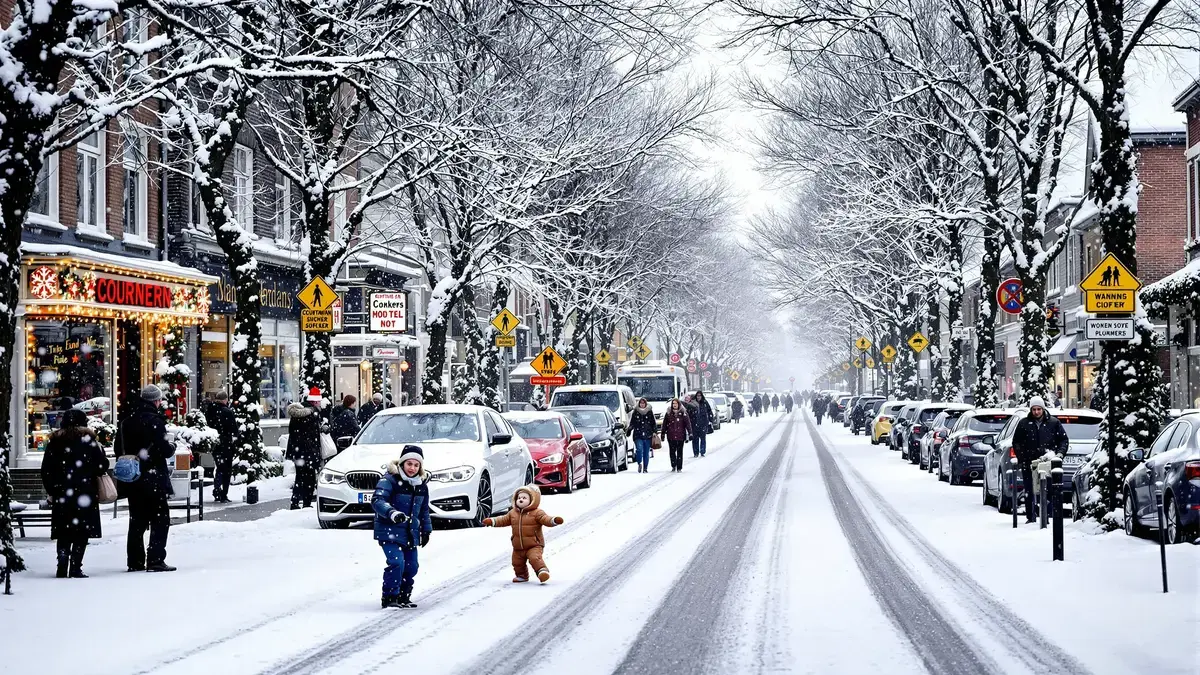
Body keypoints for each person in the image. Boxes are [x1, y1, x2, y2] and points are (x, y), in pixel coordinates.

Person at [41, 409, 108, 578]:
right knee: (81, 531)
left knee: (64, 530)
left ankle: (62, 563)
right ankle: (76, 566)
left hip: (62, 493)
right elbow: (101, 466)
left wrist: (52, 489)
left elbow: (46, 469)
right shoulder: (89, 441)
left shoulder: (55, 442)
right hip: (85, 492)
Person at [119, 384, 176, 572]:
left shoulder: (127, 421)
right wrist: (172, 447)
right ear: (156, 401)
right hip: (153, 477)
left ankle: (134, 561)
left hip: (132, 477)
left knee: (137, 520)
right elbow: (165, 450)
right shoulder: (156, 421)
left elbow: (120, 448)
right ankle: (155, 559)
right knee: (160, 519)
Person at [372, 445, 432, 608]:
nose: (412, 468)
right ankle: (390, 597)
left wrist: (426, 529)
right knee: (397, 562)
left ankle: (403, 596)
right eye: (409, 464)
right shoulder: (389, 480)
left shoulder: (421, 485)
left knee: (412, 566)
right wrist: (391, 513)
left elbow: (424, 509)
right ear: (402, 463)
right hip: (389, 531)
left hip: (409, 533)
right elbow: (377, 500)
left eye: (416, 465)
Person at [483, 485, 563, 584]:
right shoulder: (513, 513)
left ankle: (542, 571)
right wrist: (491, 521)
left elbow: (545, 519)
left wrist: (554, 520)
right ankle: (521, 576)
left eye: (524, 498)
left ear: (532, 500)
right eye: (519, 498)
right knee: (517, 562)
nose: (521, 500)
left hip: (534, 545)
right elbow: (502, 520)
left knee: (535, 558)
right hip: (518, 546)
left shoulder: (537, 513)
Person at [1012, 396, 1069, 523]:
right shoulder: (1024, 424)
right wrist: (1023, 457)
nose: (1036, 412)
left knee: (1048, 489)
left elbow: (1063, 440)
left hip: (1047, 463)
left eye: (1039, 409)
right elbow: (1016, 442)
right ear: (1031, 410)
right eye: (1034, 409)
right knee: (1029, 490)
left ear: (1043, 409)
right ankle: (1031, 517)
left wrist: (1059, 455)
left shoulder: (1053, 423)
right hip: (1029, 463)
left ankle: (1046, 517)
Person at [286, 387, 326, 509]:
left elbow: (292, 432)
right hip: (309, 452)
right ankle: (307, 503)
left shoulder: (296, 414)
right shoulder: (313, 413)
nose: (320, 404)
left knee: (299, 477)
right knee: (310, 479)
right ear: (314, 402)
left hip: (298, 452)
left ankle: (295, 501)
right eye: (319, 402)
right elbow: (314, 435)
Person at [206, 391, 238, 503]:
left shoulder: (210, 411)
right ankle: (223, 493)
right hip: (226, 444)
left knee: (219, 467)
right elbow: (234, 429)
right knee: (226, 469)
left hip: (215, 443)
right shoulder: (227, 412)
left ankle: (217, 490)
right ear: (225, 400)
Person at [661, 398, 692, 472]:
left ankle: (679, 467)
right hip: (671, 435)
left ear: (679, 404)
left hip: (680, 435)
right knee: (672, 451)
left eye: (676, 403)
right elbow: (665, 424)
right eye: (673, 403)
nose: (674, 405)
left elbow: (688, 424)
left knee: (679, 451)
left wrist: (690, 433)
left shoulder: (683, 413)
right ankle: (673, 465)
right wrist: (663, 434)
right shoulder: (668, 413)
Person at [629, 398, 657, 473]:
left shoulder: (649, 412)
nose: (642, 404)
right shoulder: (635, 412)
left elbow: (653, 423)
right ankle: (639, 463)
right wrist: (629, 429)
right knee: (639, 449)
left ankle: (645, 468)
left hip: (648, 434)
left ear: (645, 404)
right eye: (640, 403)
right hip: (638, 434)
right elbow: (632, 422)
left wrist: (654, 431)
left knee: (646, 452)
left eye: (643, 403)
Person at [687, 391, 714, 458]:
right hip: (694, 423)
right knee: (695, 439)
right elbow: (688, 413)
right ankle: (696, 452)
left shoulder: (705, 403)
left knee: (703, 438)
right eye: (698, 396)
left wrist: (710, 419)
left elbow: (709, 411)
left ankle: (702, 451)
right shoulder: (693, 403)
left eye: (700, 396)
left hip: (703, 424)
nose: (699, 397)